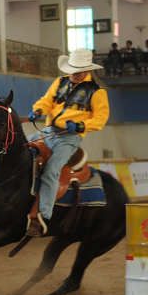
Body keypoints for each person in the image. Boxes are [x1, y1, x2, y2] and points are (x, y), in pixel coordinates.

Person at [26, 49, 110, 236]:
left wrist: (80, 126)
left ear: (86, 70)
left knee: (52, 170)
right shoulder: (60, 82)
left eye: (78, 70)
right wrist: (38, 110)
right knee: (20, 150)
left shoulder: (97, 92)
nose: (74, 73)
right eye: (72, 69)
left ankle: (43, 216)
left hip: (69, 138)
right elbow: (46, 101)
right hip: (47, 132)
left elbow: (100, 119)